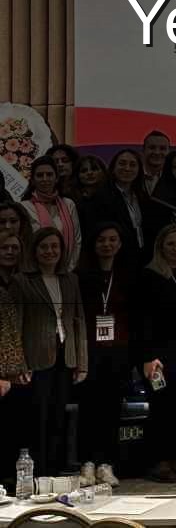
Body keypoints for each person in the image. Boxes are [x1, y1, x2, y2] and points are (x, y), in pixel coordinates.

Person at [16, 227, 88, 476]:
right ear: (35, 250)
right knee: (38, 417)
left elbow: (79, 320)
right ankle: (39, 472)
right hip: (36, 359)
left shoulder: (70, 280)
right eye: (44, 247)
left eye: (54, 246)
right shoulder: (23, 281)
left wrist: (82, 362)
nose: (50, 251)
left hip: (65, 357)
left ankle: (56, 471)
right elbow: (17, 324)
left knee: (59, 415)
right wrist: (20, 363)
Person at [135, 223, 176, 483]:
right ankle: (158, 461)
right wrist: (147, 357)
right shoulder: (150, 276)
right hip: (158, 356)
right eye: (171, 244)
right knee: (161, 408)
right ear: (160, 247)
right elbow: (143, 321)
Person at [75, 222, 133, 487]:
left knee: (112, 409)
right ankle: (87, 463)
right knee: (89, 409)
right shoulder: (81, 276)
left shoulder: (127, 276)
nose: (107, 244)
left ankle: (106, 464)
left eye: (112, 239)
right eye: (101, 240)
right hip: (90, 351)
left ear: (120, 244)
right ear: (93, 244)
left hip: (118, 351)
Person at [0, 210, 29, 492]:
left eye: (15, 248)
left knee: (14, 429)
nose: (10, 252)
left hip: (18, 366)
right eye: (4, 248)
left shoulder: (21, 282)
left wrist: (22, 365)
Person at [83, 149, 153, 265]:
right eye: (122, 163)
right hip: (115, 260)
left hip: (142, 259)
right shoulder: (101, 197)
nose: (127, 168)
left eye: (132, 165)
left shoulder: (142, 197)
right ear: (113, 168)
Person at [22, 159, 79, 270]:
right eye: (40, 175)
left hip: (66, 270)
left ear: (56, 178)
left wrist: (68, 270)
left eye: (49, 175)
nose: (45, 179)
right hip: (33, 271)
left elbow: (77, 240)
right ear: (32, 180)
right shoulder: (24, 207)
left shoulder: (68, 204)